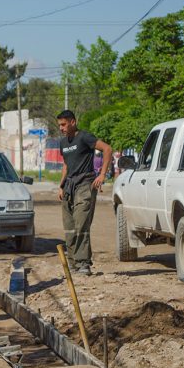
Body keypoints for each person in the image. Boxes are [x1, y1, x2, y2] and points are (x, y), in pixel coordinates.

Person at [56, 110, 112, 276]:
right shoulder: (63, 142)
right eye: (59, 125)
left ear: (73, 122)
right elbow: (66, 165)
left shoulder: (85, 137)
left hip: (85, 184)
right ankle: (73, 264)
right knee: (69, 228)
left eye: (64, 124)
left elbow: (107, 149)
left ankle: (83, 264)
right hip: (69, 187)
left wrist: (102, 175)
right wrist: (61, 186)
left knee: (81, 224)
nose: (61, 128)